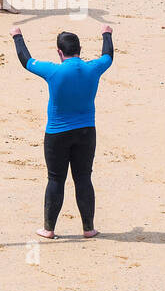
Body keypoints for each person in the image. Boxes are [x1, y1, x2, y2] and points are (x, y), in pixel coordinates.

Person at [12, 24, 115, 239]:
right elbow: (108, 56)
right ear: (80, 49)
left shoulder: (53, 70)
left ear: (60, 52)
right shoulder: (93, 68)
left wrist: (17, 37)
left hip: (57, 134)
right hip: (86, 132)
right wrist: (107, 34)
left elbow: (26, 61)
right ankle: (88, 228)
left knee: (55, 179)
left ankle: (48, 229)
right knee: (84, 178)